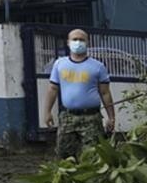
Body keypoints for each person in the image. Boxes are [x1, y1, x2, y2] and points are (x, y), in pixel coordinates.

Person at [42, 29, 116, 159]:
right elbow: (53, 89)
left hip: (91, 118)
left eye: (82, 40)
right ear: (68, 43)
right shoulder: (60, 64)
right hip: (67, 117)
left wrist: (111, 117)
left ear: (88, 42)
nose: (78, 42)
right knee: (64, 156)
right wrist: (47, 112)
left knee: (92, 155)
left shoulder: (98, 66)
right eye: (75, 39)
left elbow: (105, 93)